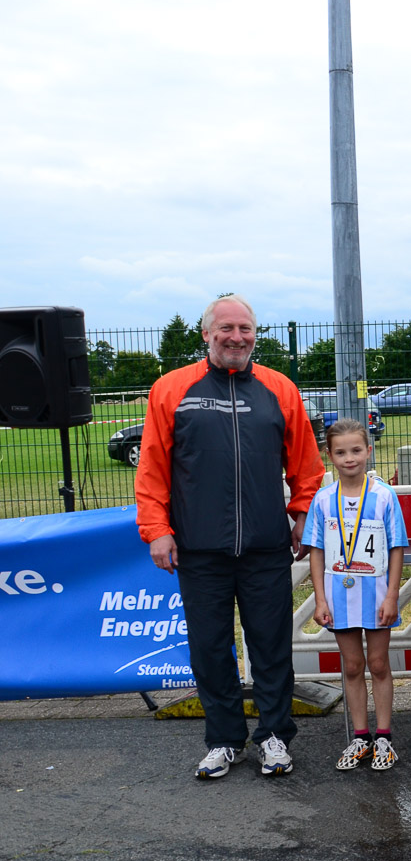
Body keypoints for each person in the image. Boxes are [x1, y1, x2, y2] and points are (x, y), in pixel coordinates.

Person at [135, 293, 324, 779]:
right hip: (199, 549)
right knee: (210, 650)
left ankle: (275, 736)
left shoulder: (280, 388)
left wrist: (303, 514)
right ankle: (224, 740)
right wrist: (157, 530)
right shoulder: (171, 389)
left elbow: (306, 465)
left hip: (265, 546)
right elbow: (152, 468)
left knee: (271, 647)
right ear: (207, 334)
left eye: (245, 329)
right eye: (226, 328)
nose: (236, 337)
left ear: (254, 335)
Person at [305, 419, 408, 771]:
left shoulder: (384, 496)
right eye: (341, 452)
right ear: (329, 455)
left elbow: (396, 548)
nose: (349, 458)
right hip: (339, 598)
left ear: (368, 451)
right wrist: (320, 599)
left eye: (356, 450)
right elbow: (316, 551)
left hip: (377, 596)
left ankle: (384, 737)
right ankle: (360, 737)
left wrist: (392, 596)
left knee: (378, 664)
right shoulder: (323, 499)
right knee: (351, 666)